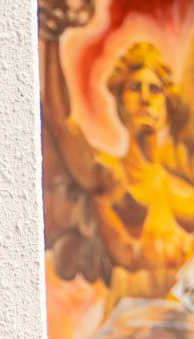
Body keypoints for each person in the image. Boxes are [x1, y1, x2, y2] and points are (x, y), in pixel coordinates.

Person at [40, 0, 194, 311]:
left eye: (155, 90)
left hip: (182, 332)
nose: (145, 99)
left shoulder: (184, 190)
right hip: (124, 330)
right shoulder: (106, 177)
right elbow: (61, 122)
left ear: (168, 105)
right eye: (135, 88)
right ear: (120, 103)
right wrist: (51, 40)